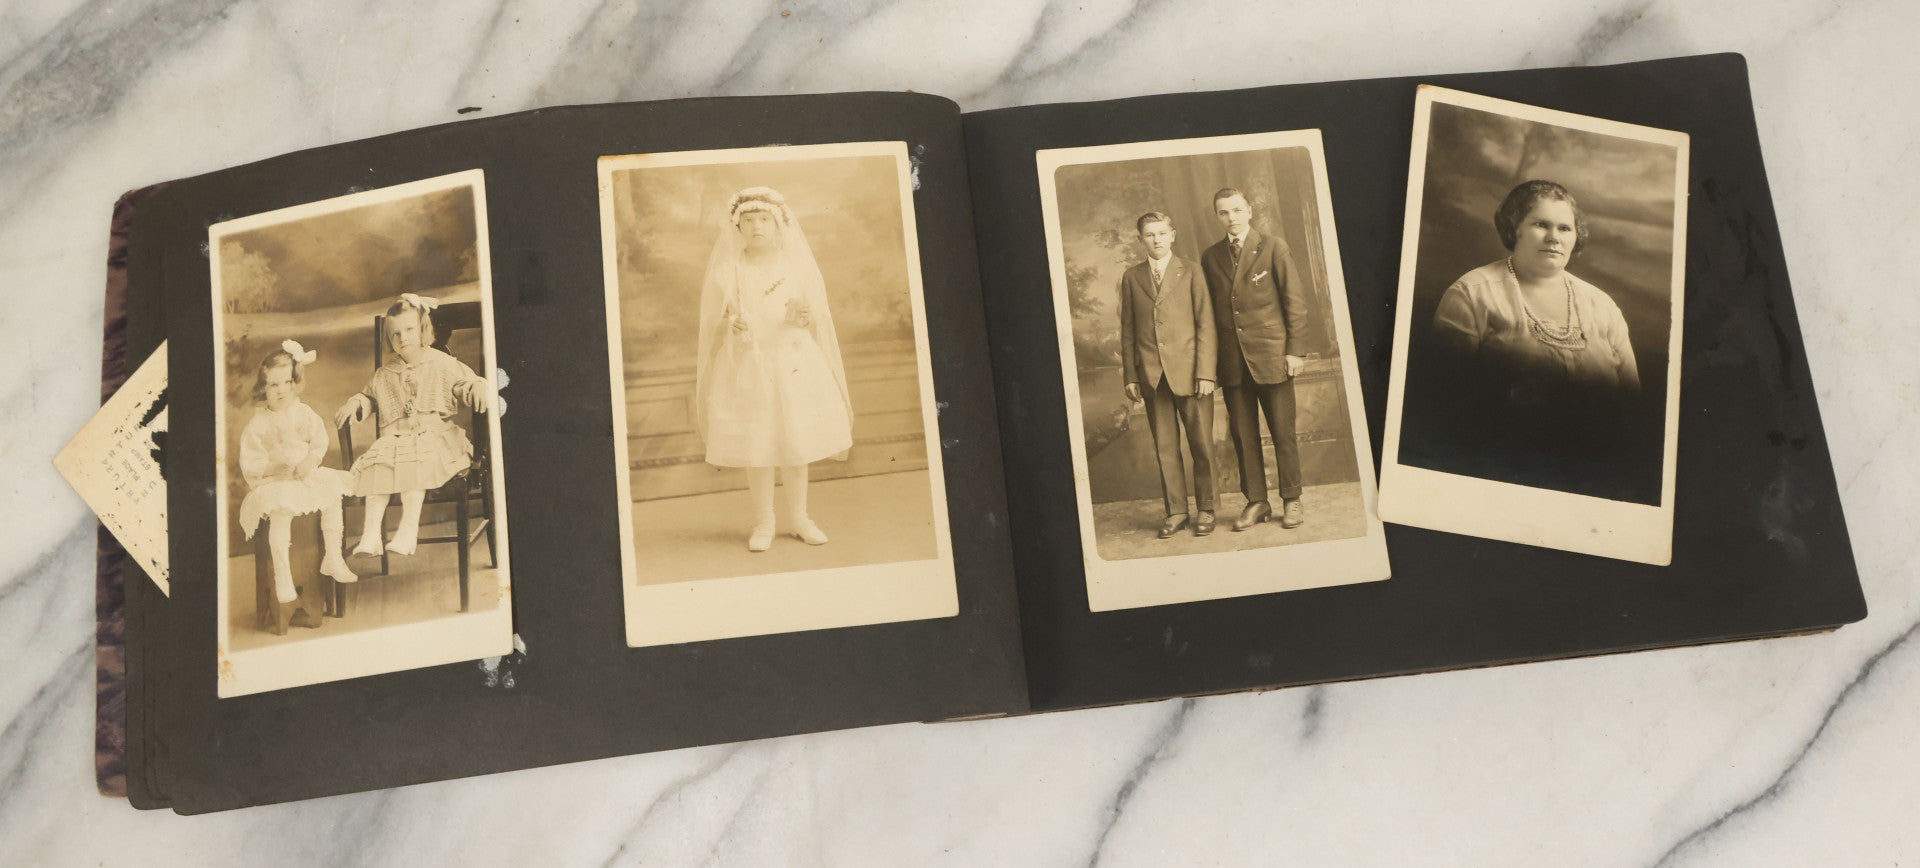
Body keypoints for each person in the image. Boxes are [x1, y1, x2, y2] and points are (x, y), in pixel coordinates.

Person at [1425, 179, 1642, 496]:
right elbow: (1443, 402)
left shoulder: (1602, 306)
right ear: (1515, 229)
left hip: (1597, 476)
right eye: (1541, 224)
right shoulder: (1473, 294)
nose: (1554, 237)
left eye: (1565, 228)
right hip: (1497, 475)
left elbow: (1633, 404)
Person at [694, 186, 854, 553]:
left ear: (778, 223)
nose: (756, 227)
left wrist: (803, 316)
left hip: (792, 360)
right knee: (759, 445)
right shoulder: (727, 271)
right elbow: (712, 322)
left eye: (763, 219)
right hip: (750, 364)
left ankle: (799, 518)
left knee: (796, 442)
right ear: (737, 227)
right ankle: (764, 520)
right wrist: (731, 324)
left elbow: (813, 316)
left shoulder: (796, 267)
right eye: (748, 221)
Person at [333, 293, 494, 557]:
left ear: (423, 330)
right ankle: (371, 536)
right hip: (396, 440)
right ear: (389, 338)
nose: (403, 338)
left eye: (409, 330)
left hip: (436, 439)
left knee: (414, 469)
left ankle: (408, 533)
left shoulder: (441, 363)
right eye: (395, 334)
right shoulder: (385, 373)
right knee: (377, 470)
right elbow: (371, 396)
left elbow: (465, 382)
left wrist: (477, 386)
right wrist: (357, 402)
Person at [1200, 187, 1312, 532]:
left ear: (1249, 210)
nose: (1231, 217)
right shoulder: (1211, 256)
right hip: (1233, 362)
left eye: (1236, 210)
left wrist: (1294, 350)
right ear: (1217, 217)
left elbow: (1294, 301)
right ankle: (1257, 501)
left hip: (1272, 356)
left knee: (1283, 433)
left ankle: (1291, 499)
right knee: (1243, 436)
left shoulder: (1273, 246)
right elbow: (1210, 314)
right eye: (1224, 212)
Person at [1118, 211, 1218, 538]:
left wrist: (1205, 372)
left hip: (1190, 374)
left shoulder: (1191, 271)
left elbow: (1206, 325)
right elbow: (1128, 331)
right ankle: (1176, 510)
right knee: (1164, 446)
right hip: (1152, 375)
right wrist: (1131, 376)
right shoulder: (1132, 278)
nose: (1157, 240)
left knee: (1201, 443)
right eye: (1150, 235)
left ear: (1173, 235)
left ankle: (1206, 508)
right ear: (1141, 240)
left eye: (1162, 233)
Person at [238, 340, 357, 604]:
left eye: (287, 383)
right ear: (263, 388)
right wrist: (273, 467)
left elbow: (319, 442)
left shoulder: (304, 413)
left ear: (295, 383)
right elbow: (251, 463)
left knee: (332, 497)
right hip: (277, 482)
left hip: (304, 476)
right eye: (273, 385)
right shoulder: (258, 425)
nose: (281, 391)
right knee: (281, 511)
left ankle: (333, 557)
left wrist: (310, 462)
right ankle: (283, 576)